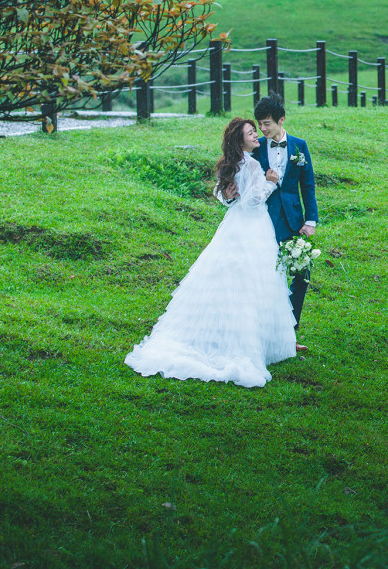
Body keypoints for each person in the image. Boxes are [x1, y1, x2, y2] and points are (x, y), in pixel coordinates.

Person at [124, 117, 299, 387]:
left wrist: (231, 197)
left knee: (230, 276)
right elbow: (252, 201)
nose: (256, 136)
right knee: (253, 280)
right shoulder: (251, 164)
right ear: (240, 140)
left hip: (234, 225)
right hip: (252, 226)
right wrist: (271, 183)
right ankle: (247, 344)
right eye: (251, 133)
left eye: (255, 132)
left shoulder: (228, 165)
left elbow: (223, 197)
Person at [247, 95, 318, 350]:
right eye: (260, 124)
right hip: (262, 220)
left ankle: (289, 333)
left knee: (302, 275)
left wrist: (310, 221)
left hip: (293, 221)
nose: (262, 129)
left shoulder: (299, 146)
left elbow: (307, 186)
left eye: (267, 123)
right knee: (264, 277)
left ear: (281, 120)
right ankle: (260, 335)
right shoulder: (255, 148)